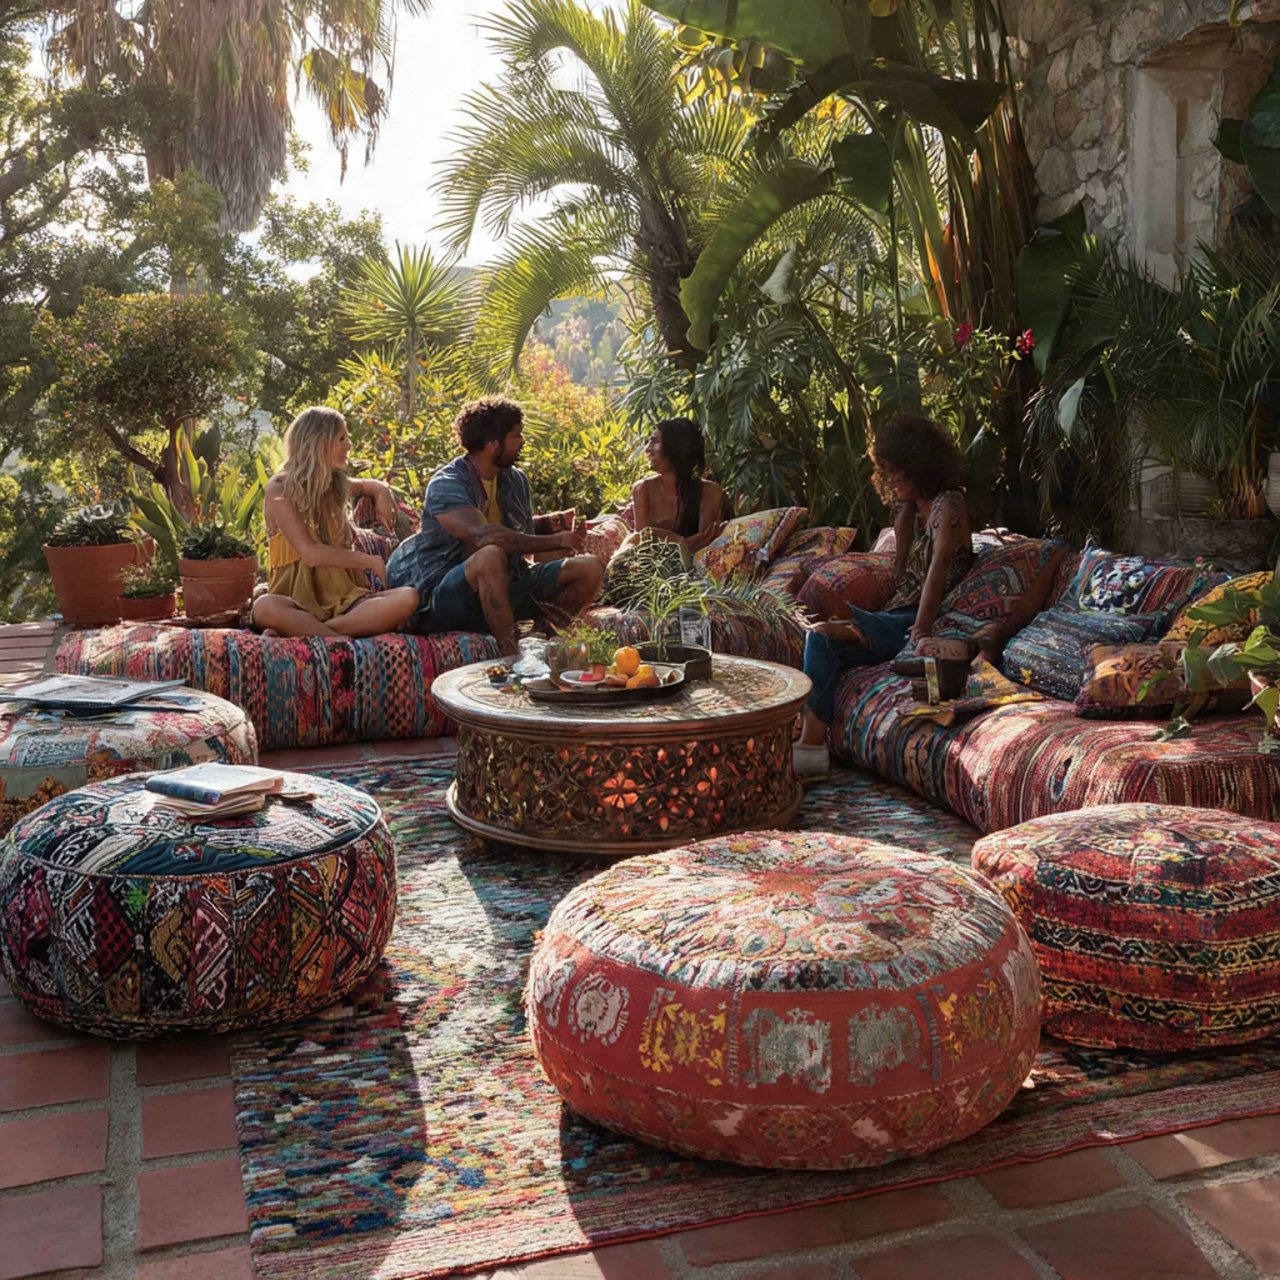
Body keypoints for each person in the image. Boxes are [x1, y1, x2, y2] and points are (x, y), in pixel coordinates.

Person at [793, 415, 974, 780]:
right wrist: (903, 529)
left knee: (823, 633)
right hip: (897, 618)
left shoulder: (948, 506)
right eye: (886, 470)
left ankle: (810, 747)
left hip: (923, 620)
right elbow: (901, 576)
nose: (891, 478)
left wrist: (922, 630)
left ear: (918, 465)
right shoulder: (914, 513)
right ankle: (808, 743)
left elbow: (937, 568)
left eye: (897, 470)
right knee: (818, 633)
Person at [386, 396, 603, 653]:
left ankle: (539, 645)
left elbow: (519, 535)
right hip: (447, 598)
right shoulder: (447, 483)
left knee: (589, 568)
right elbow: (483, 536)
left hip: (507, 586)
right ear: (491, 442)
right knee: (489, 555)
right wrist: (556, 540)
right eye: (516, 436)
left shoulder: (515, 480)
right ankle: (512, 658)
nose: (522, 442)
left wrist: (559, 536)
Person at [252, 407, 421, 638]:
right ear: (318, 442)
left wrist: (382, 491)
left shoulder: (333, 483)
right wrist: (370, 561)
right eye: (341, 438)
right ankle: (332, 634)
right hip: (297, 602)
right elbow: (311, 554)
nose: (349, 445)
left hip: (347, 603)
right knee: (264, 607)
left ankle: (311, 633)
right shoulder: (280, 489)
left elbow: (364, 485)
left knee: (408, 598)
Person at [630, 417, 725, 553]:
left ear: (675, 447)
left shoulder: (710, 491)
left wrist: (665, 538)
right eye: (648, 442)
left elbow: (705, 542)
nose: (647, 450)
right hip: (654, 564)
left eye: (655, 442)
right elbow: (643, 544)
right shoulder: (642, 489)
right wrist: (682, 542)